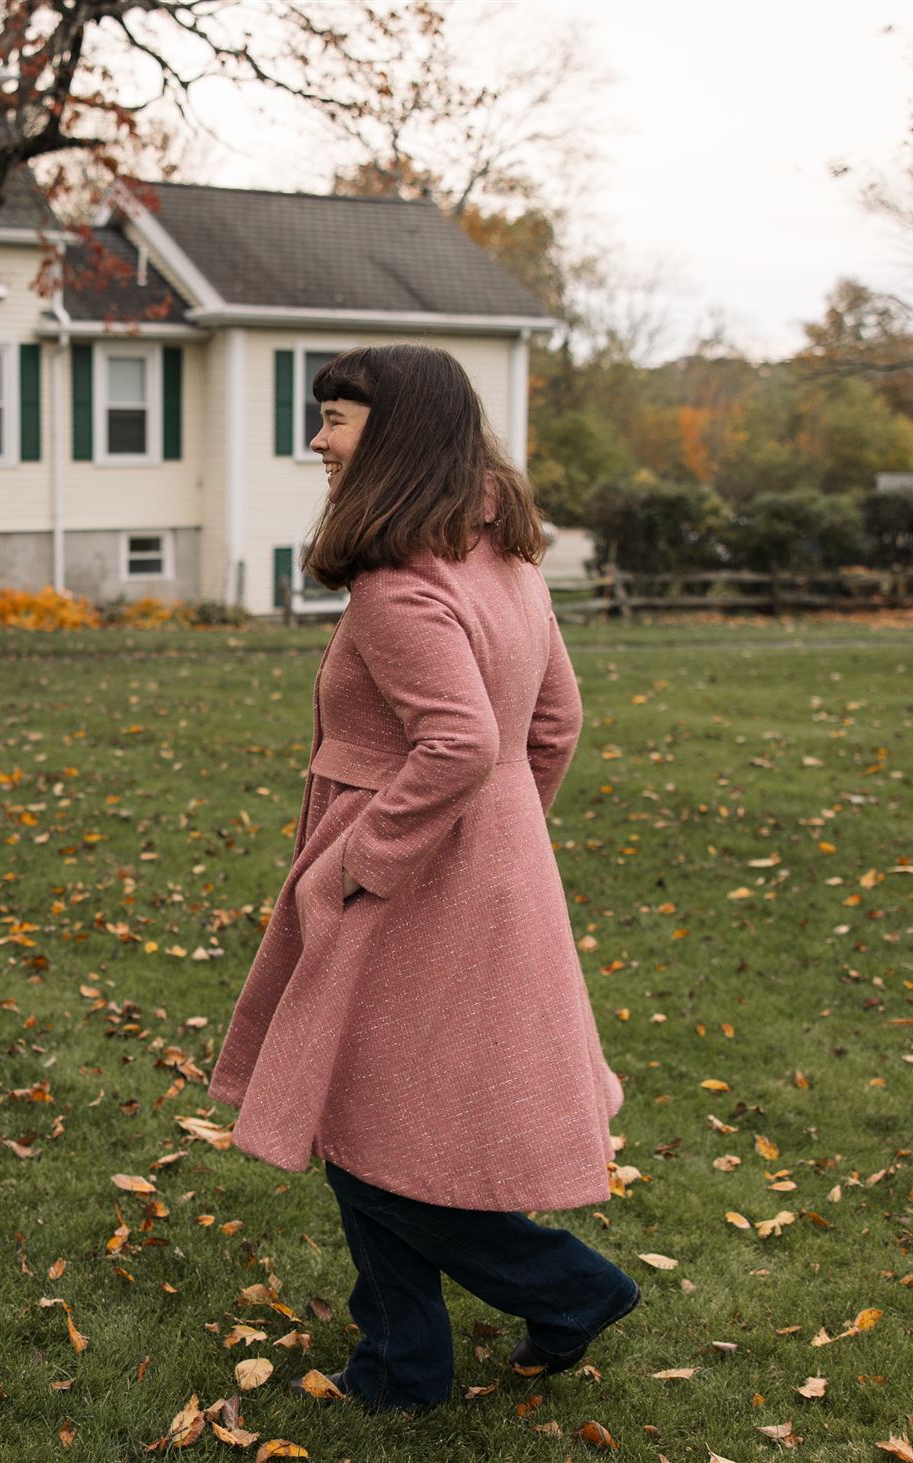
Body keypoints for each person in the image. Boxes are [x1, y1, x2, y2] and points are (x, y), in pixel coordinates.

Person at [207, 344, 635, 1412]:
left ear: (394, 432)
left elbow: (453, 740)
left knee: (360, 1129)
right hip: (473, 867)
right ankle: (399, 1364)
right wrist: (501, 841)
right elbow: (551, 726)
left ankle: (568, 1287)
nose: (318, 439)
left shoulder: (400, 586)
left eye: (338, 416)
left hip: (398, 877)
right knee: (365, 1111)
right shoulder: (502, 558)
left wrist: (363, 859)